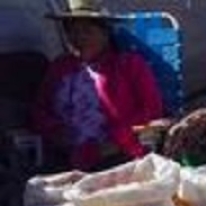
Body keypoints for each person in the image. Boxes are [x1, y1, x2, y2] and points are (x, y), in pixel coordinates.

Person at [32, 0, 163, 170]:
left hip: (119, 154)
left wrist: (114, 143)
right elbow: (40, 110)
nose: (79, 38)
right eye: (72, 32)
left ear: (105, 34)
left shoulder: (129, 65)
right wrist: (55, 131)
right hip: (65, 155)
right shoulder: (60, 67)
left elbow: (151, 111)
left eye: (87, 31)